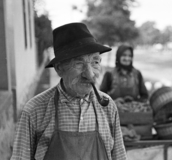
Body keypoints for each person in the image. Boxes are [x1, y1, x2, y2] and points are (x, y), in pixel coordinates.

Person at [11, 23, 127, 160]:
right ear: (59, 69)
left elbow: (119, 157)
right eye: (79, 64)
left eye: (95, 62)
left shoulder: (108, 107)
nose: (90, 75)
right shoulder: (35, 110)